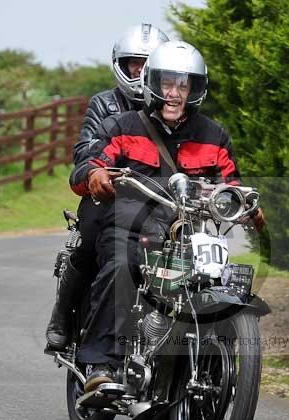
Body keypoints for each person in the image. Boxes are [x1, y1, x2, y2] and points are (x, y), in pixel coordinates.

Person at [70, 40, 265, 393]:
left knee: (218, 278)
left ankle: (203, 369)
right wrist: (95, 174)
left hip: (190, 230)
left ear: (195, 90)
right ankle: (102, 363)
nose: (174, 93)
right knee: (121, 265)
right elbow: (88, 165)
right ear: (153, 84)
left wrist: (247, 205)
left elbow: (231, 183)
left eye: (183, 85)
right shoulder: (122, 125)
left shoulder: (214, 135)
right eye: (167, 83)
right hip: (131, 224)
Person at [44, 23, 169, 351]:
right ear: (121, 65)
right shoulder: (105, 104)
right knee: (90, 238)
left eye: (148, 64)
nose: (140, 71)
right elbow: (85, 150)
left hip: (160, 199)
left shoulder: (173, 107)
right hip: (110, 195)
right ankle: (61, 315)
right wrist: (100, 172)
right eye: (134, 64)